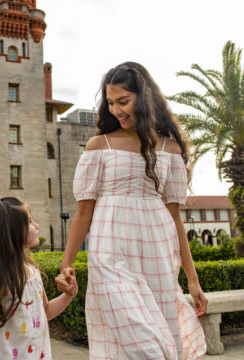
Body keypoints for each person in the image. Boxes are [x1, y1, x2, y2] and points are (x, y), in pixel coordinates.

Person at [59, 62, 208, 359]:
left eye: (123, 101)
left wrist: (192, 278)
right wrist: (66, 264)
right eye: (111, 103)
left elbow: (175, 217)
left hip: (157, 254)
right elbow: (83, 213)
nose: (116, 110)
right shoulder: (99, 146)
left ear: (146, 96)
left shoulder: (170, 149)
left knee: (160, 336)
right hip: (110, 251)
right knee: (146, 347)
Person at [0, 197, 78, 359]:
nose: (36, 225)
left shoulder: (33, 271)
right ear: (12, 230)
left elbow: (45, 312)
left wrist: (69, 295)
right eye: (30, 221)